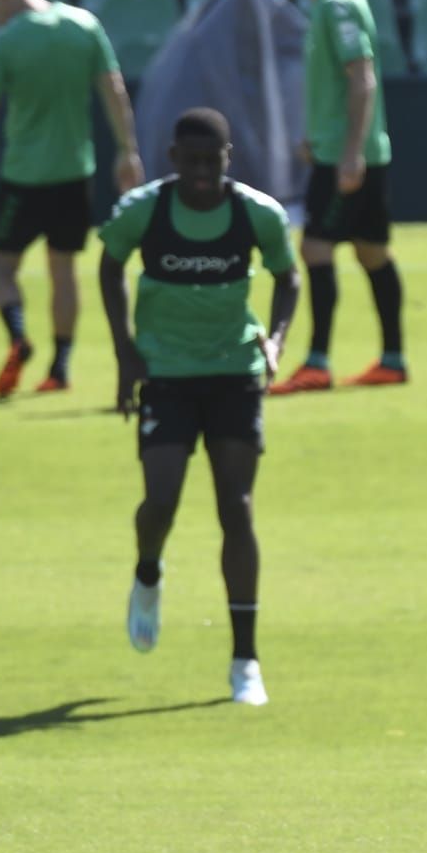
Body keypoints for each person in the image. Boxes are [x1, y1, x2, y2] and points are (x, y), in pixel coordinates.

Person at [97, 108, 300, 706]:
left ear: (228, 160)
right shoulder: (145, 210)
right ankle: (148, 571)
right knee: (161, 501)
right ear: (173, 160)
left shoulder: (257, 213)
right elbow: (109, 268)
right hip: (166, 375)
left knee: (236, 510)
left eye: (214, 162)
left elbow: (288, 279)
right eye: (193, 163)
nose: (204, 174)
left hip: (234, 373)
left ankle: (245, 660)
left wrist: (278, 339)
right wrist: (125, 354)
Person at [0, 0, 143, 396]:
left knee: (2, 269)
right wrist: (127, 151)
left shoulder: (6, 41)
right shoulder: (84, 25)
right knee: (64, 270)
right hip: (76, 172)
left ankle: (18, 336)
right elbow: (115, 92)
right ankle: (60, 368)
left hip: (24, 175)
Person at [268, 0, 407, 393]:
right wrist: (318, 135)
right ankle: (392, 359)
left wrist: (349, 153)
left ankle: (317, 363)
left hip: (349, 155)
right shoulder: (321, 5)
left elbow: (362, 79)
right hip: (342, 148)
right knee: (371, 252)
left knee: (314, 248)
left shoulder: (338, 4)